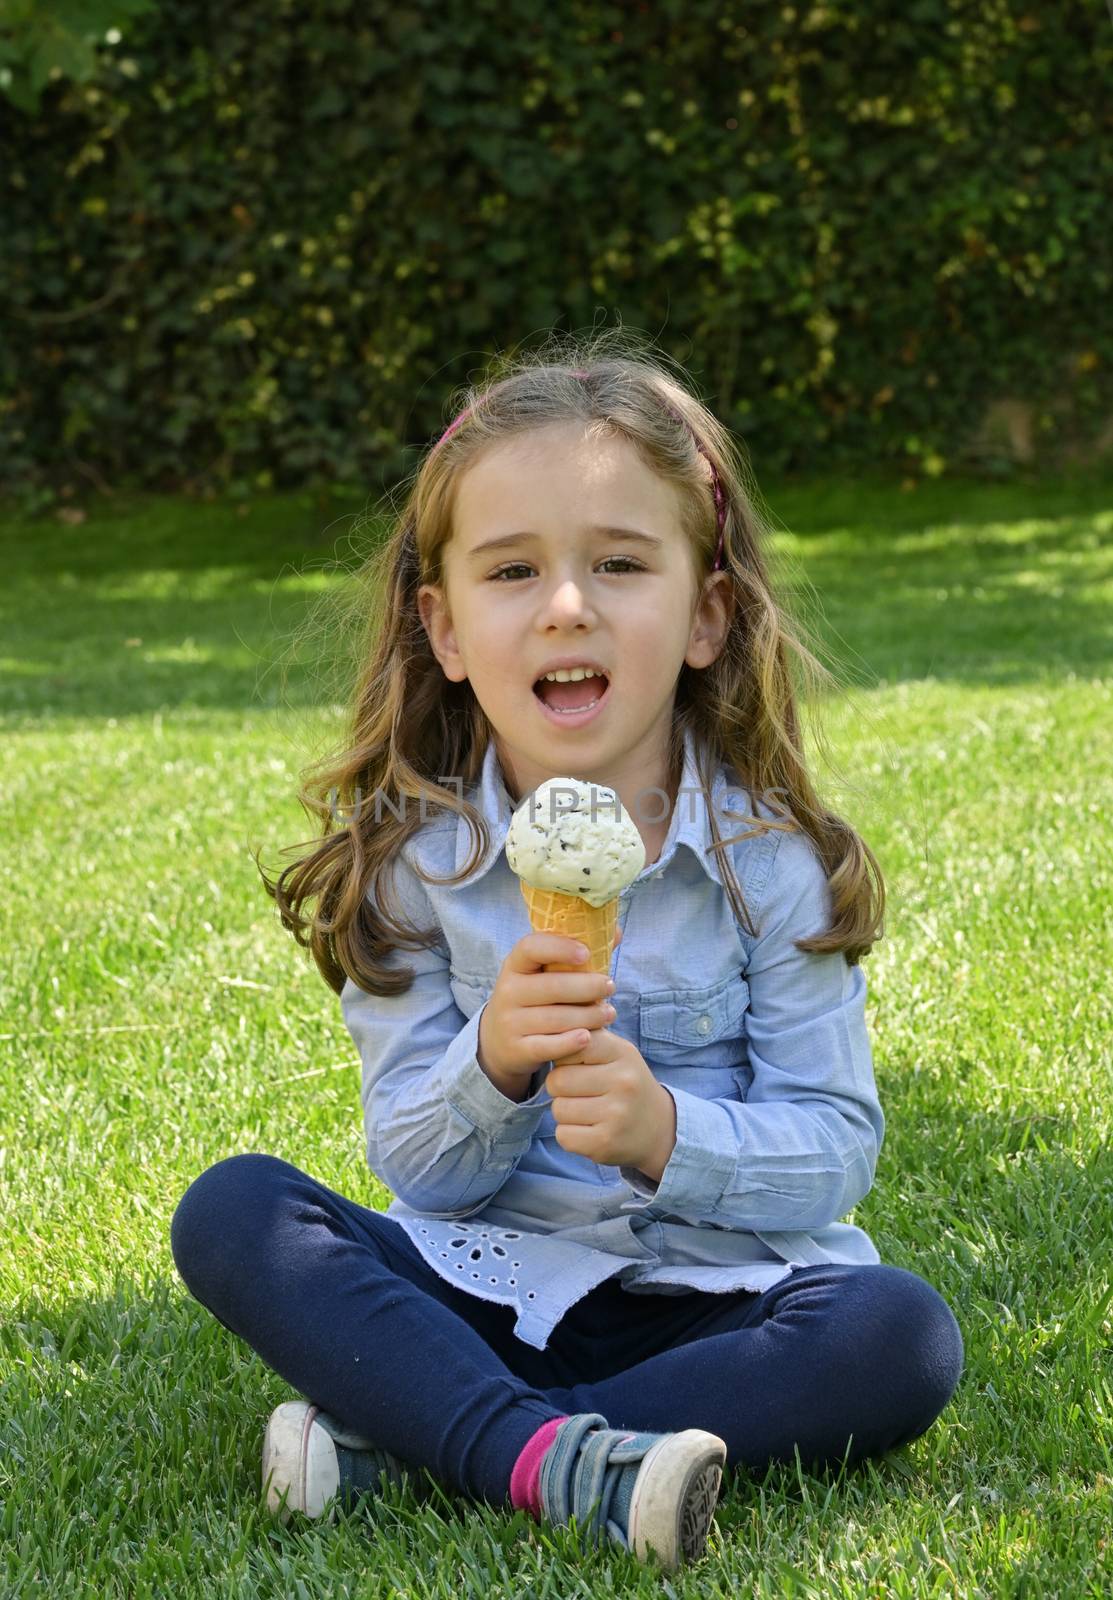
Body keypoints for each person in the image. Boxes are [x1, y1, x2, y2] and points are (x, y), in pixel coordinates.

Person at [170, 341, 964, 1572]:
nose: (566, 604)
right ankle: (559, 1459)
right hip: (486, 1294)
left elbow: (836, 1146)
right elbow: (418, 1172)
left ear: (706, 612)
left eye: (620, 564)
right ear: (444, 626)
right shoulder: (415, 873)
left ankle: (436, 1447)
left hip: (716, 1310)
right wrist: (490, 1067)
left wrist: (667, 1135)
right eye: (513, 570)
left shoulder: (771, 869)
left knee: (901, 1332)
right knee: (236, 1211)